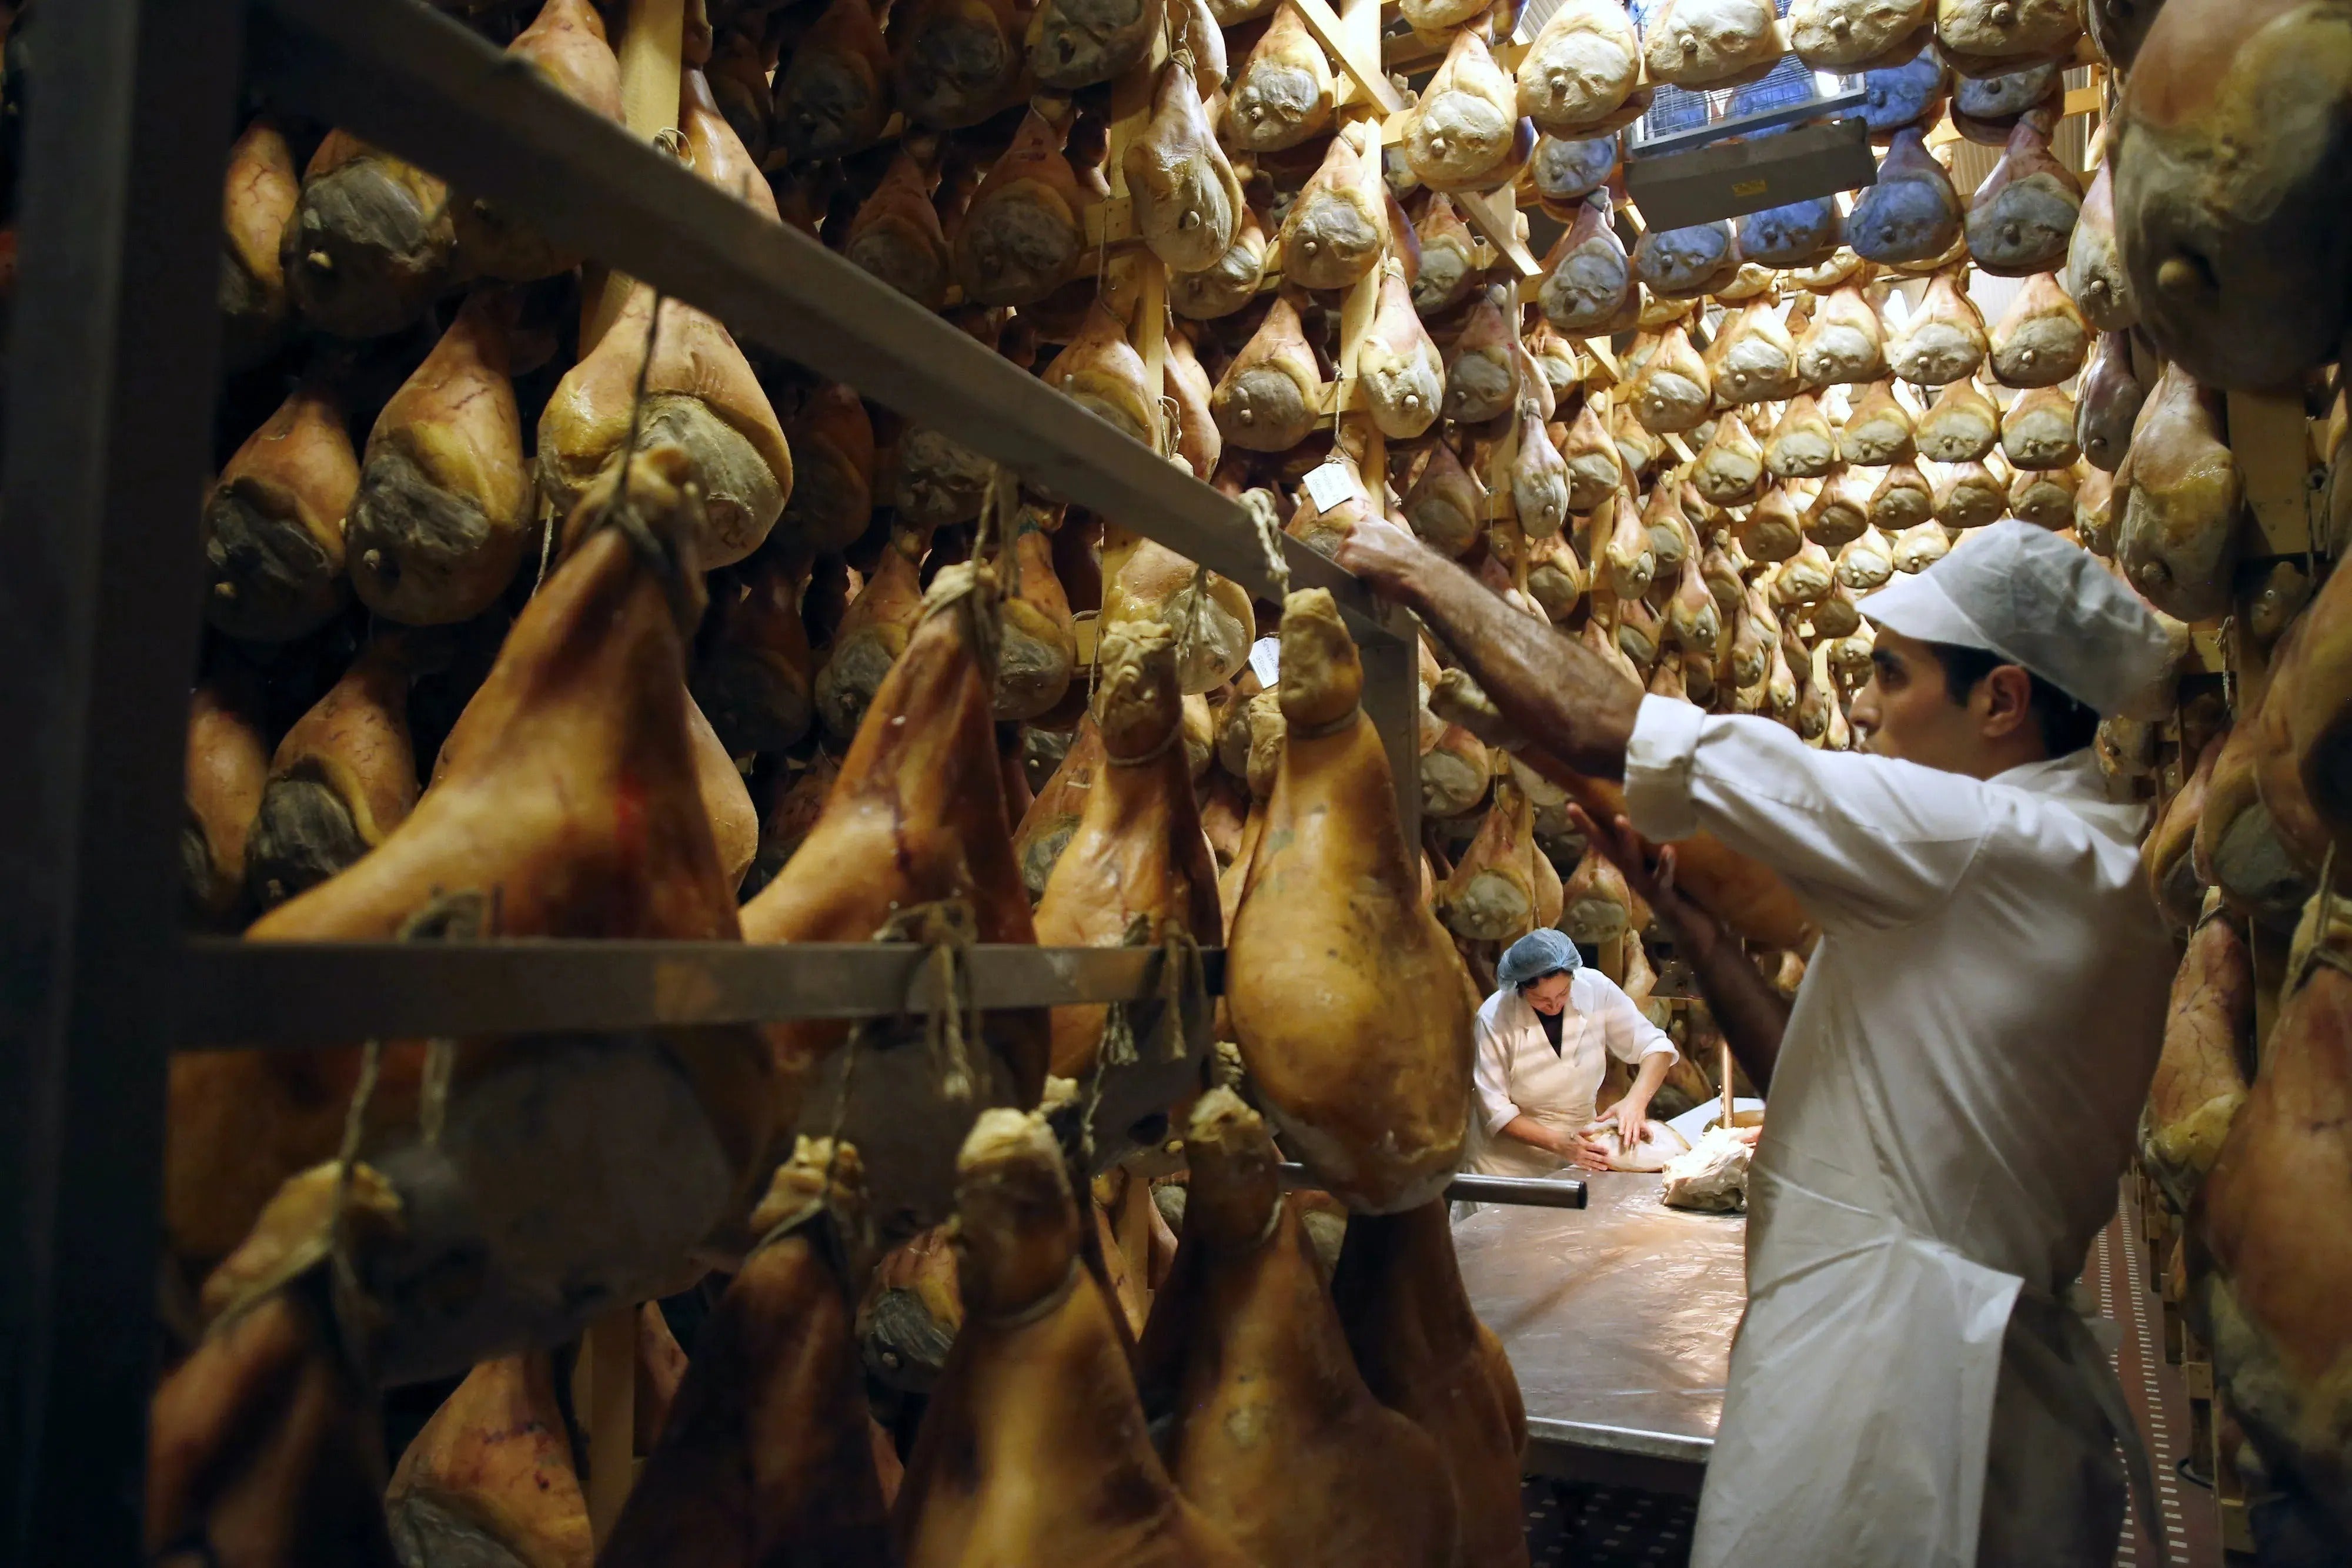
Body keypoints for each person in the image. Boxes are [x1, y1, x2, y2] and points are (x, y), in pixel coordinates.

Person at [1339, 516, 2177, 1568]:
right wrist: (1697, 937)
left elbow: (1611, 726)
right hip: (1926, 1361)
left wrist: (1418, 568)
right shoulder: (2046, 865)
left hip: (1904, 1390)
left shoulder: (1992, 840)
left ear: (2002, 701)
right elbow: (1817, 1081)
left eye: (1891, 674)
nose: (1862, 706)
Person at [1472, 928, 1681, 1176]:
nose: (1554, 1005)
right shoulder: (1493, 1018)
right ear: (1521, 988)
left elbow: (1657, 1048)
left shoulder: (1595, 989)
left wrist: (1635, 1101)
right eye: (1541, 999)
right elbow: (1497, 1112)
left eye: (1563, 993)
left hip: (1583, 1152)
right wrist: (1559, 1144)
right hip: (1509, 1166)